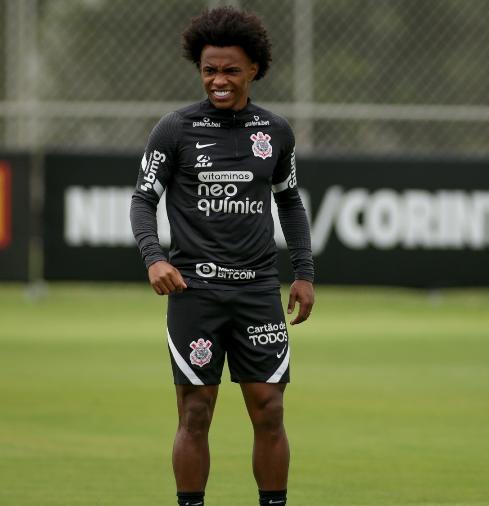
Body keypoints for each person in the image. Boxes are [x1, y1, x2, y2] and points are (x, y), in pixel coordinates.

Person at [129, 7, 314, 506]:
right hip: (196, 293)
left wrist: (304, 272)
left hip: (257, 291)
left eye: (231, 69)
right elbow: (143, 200)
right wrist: (154, 257)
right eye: (210, 69)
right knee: (195, 412)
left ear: (254, 68)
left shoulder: (275, 132)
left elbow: (290, 202)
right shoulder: (174, 129)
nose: (219, 80)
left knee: (269, 409)